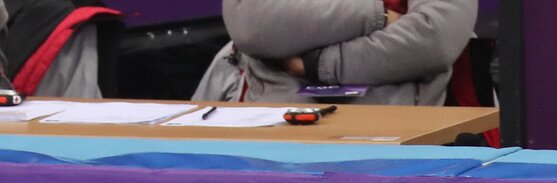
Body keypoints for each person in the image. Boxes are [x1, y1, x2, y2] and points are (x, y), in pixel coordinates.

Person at [192, 0, 477, 106]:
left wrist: (320, 63)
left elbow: (434, 37)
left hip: (405, 143)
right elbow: (251, 22)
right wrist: (376, 16)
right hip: (279, 137)